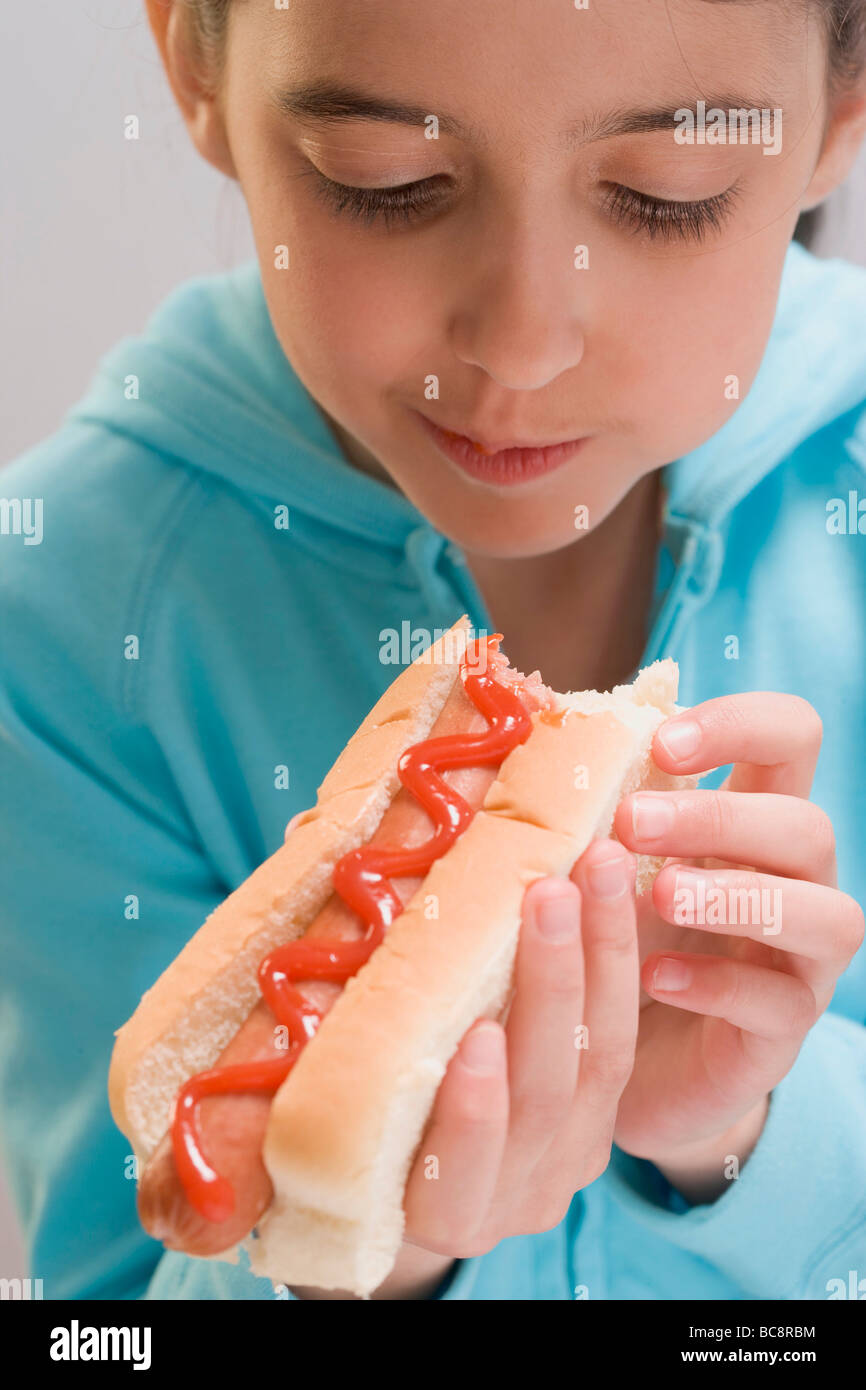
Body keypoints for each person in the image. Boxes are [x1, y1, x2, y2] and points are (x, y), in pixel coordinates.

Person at [1, 0, 865, 1301]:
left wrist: (733, 1136)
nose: (519, 342)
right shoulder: (69, 605)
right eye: (386, 183)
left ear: (836, 122)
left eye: (659, 193)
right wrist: (361, 1254)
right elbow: (109, 1313)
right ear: (193, 60)